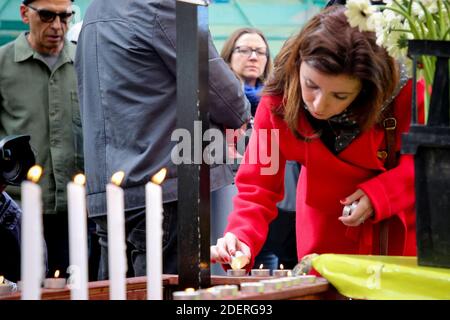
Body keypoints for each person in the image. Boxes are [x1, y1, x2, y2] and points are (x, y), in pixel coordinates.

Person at [211, 5, 424, 271]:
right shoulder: (278, 98)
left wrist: (379, 195)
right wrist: (241, 236)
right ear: (299, 63)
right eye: (311, 85)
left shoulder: (404, 90)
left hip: (393, 234)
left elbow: (426, 162)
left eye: (340, 96)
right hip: (323, 235)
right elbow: (258, 185)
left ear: (368, 88)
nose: (319, 105)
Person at [75, 0, 251, 279]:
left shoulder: (96, 10)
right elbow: (222, 94)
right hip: (166, 184)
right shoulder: (161, 5)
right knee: (174, 293)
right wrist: (240, 114)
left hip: (109, 188)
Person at [0, 0, 82, 278]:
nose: (57, 26)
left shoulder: (84, 63)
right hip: (16, 214)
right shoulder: (2, 65)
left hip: (76, 212)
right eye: (47, 16)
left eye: (65, 16)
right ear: (25, 14)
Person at [216, 28, 297, 272]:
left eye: (260, 52)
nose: (253, 57)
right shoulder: (216, 102)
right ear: (229, 56)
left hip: (279, 206)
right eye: (245, 50)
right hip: (232, 201)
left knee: (271, 274)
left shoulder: (281, 102)